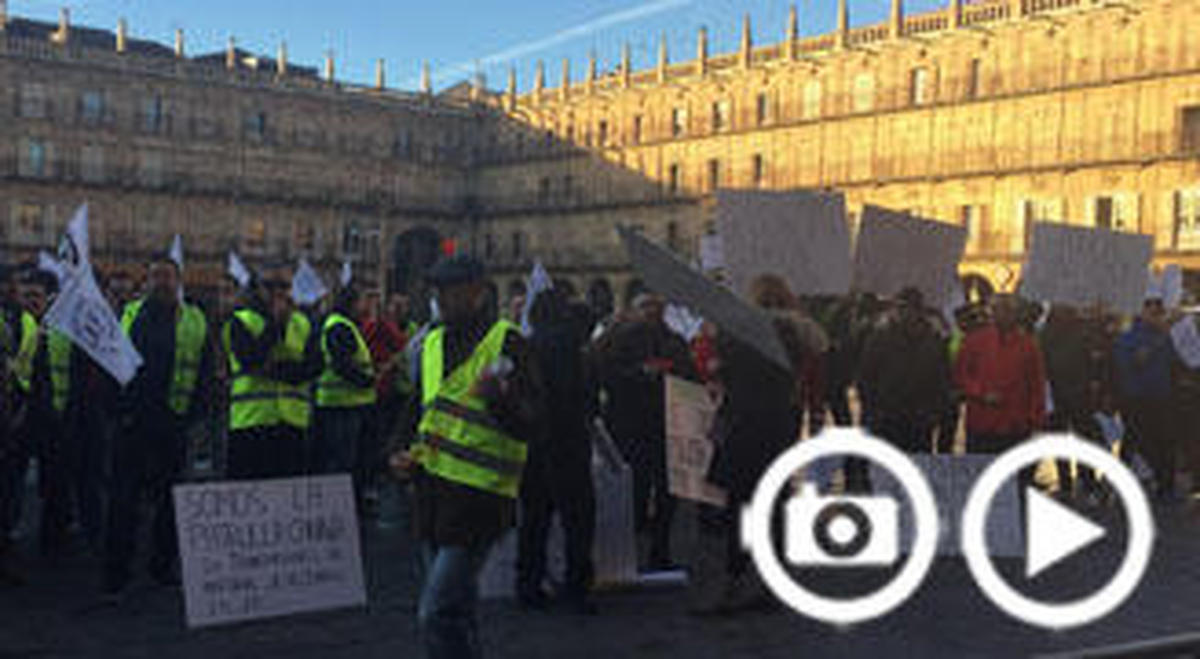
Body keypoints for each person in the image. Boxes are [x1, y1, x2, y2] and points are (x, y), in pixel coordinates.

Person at [391, 254, 542, 659]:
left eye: (450, 290)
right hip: (432, 493)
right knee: (458, 609)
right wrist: (396, 452)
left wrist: (500, 401)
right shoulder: (432, 342)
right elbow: (419, 407)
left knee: (435, 611)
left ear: (477, 293)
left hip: (479, 498)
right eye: (437, 291)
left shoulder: (507, 341)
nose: (440, 299)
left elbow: (533, 421)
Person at [691, 274, 824, 615]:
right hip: (780, 423)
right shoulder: (798, 334)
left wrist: (719, 356)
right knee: (775, 504)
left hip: (746, 425)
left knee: (740, 503)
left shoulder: (742, 333)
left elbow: (727, 374)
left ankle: (733, 583)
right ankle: (772, 584)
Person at [104, 254, 212, 597]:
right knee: (124, 502)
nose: (163, 283)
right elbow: (110, 364)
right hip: (133, 423)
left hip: (173, 423)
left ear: (179, 282)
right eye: (156, 277)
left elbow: (206, 370)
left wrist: (194, 414)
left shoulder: (196, 319)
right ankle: (116, 573)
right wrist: (119, 412)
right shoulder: (129, 314)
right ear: (146, 282)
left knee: (170, 502)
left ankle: (162, 567)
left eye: (169, 276)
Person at [598, 292, 697, 571]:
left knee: (667, 490)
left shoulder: (672, 341)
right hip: (630, 422)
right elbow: (604, 372)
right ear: (634, 310)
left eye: (656, 307)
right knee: (636, 489)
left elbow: (689, 377)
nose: (651, 312)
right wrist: (638, 373)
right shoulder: (618, 339)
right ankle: (633, 549)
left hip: (664, 422)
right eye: (645, 307)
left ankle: (659, 550)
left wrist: (670, 372)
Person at [516, 287, 597, 614]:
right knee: (578, 518)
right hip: (569, 439)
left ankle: (528, 584)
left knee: (535, 518)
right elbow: (582, 392)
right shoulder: (571, 345)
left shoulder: (528, 345)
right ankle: (576, 587)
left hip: (535, 441)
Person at [225, 264, 321, 479]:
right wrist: (276, 324)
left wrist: (273, 370)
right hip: (251, 423)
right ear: (257, 288)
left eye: (284, 286)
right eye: (269, 285)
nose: (278, 292)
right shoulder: (242, 320)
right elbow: (252, 361)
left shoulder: (303, 323)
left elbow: (314, 367)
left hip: (292, 424)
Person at [954, 295, 1046, 498]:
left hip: (1015, 425)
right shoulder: (974, 341)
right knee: (982, 479)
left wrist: (1036, 418)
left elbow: (1036, 384)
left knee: (1014, 483)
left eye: (1008, 311)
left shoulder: (1028, 345)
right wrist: (981, 393)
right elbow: (960, 376)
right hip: (982, 423)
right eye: (999, 310)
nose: (1004, 315)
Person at [859, 287, 952, 454]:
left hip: (919, 419)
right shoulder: (880, 338)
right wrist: (873, 412)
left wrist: (935, 412)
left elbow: (942, 379)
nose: (906, 313)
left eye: (910, 308)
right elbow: (866, 378)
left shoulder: (933, 340)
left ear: (920, 311)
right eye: (901, 308)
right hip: (887, 418)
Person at [312, 283, 377, 510]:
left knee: (348, 461)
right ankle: (339, 508)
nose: (366, 306)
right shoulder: (339, 327)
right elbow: (343, 365)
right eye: (363, 301)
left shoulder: (345, 325)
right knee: (342, 463)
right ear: (351, 303)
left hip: (349, 405)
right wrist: (367, 380)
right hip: (340, 405)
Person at [1113, 297, 1179, 500]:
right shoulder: (1129, 337)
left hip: (1160, 396)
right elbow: (1125, 366)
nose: (1157, 316)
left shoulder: (1165, 336)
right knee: (1135, 440)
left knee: (1162, 442)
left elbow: (1174, 361)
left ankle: (1165, 486)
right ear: (1142, 312)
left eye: (1159, 312)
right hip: (1137, 397)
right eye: (1152, 312)